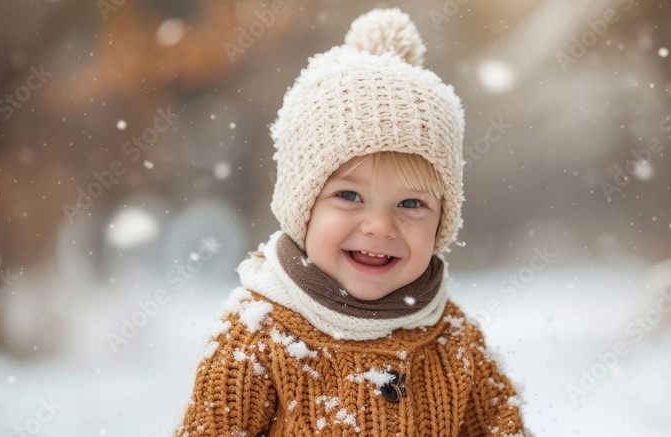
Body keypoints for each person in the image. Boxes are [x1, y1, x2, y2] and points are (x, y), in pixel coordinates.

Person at [176, 8, 526, 436]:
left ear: (441, 224)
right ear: (302, 207)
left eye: (411, 203)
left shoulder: (455, 341)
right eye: (348, 196)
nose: (380, 225)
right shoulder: (256, 340)